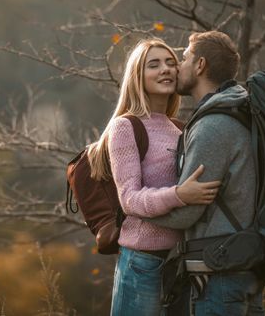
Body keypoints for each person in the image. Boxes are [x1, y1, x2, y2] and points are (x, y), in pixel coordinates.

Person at [87, 37, 222, 316]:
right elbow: (129, 200)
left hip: (181, 263)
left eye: (171, 63)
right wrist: (179, 195)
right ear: (138, 76)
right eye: (154, 64)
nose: (166, 70)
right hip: (142, 263)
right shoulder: (126, 126)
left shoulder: (182, 128)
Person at [149, 31, 265, 315]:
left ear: (200, 66)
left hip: (220, 274)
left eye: (185, 58)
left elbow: (188, 212)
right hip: (239, 267)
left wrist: (135, 209)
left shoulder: (213, 126)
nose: (178, 66)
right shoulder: (239, 111)